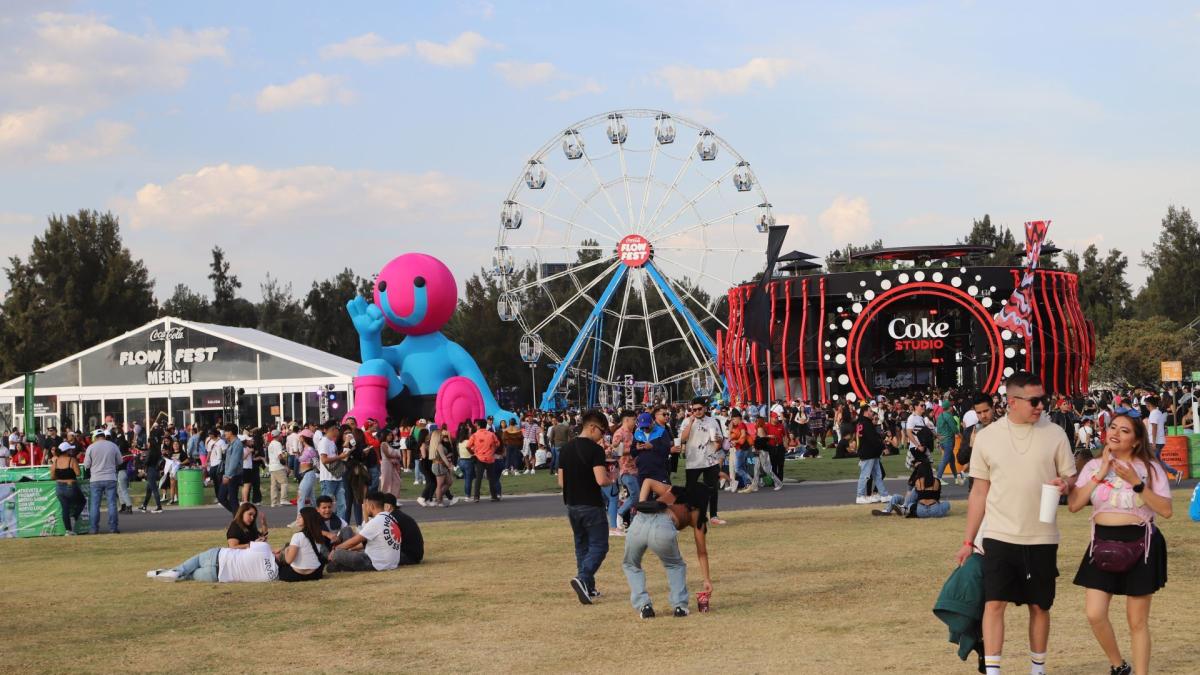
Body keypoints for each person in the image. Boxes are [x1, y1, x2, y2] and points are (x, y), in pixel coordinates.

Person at [955, 372, 1077, 675]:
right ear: (1012, 402)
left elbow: (1072, 478)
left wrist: (1065, 484)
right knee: (994, 603)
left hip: (1042, 536)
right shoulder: (987, 437)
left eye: (1043, 400)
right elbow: (979, 493)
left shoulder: (1055, 434)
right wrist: (968, 541)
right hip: (998, 535)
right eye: (1035, 401)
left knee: (1040, 606)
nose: (1040, 406)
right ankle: (994, 671)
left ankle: (1038, 669)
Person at [1067, 414, 1172, 675]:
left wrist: (1137, 484)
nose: (1115, 433)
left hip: (1140, 543)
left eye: (1124, 431)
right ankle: (1118, 665)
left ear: (1136, 441)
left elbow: (1166, 510)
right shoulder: (1093, 465)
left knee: (1136, 621)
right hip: (1102, 543)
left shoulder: (1150, 468)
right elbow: (1074, 505)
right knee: (1094, 613)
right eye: (1113, 427)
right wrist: (1100, 473)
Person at [624, 478, 713, 618]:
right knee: (675, 565)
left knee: (631, 564)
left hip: (639, 521)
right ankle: (680, 607)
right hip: (663, 525)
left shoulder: (672, 490)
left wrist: (641, 505)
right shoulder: (697, 514)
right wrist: (706, 579)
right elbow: (702, 552)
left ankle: (644, 606)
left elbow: (647, 481)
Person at [558, 409, 613, 605]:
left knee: (582, 546)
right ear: (591, 427)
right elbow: (601, 480)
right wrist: (611, 478)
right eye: (602, 431)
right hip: (591, 504)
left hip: (572, 504)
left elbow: (561, 482)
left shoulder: (565, 449)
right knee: (599, 545)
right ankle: (583, 578)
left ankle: (587, 587)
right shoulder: (595, 450)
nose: (602, 436)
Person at [326, 492, 404, 573]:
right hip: (391, 563)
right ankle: (341, 566)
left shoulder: (376, 521)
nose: (365, 508)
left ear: (371, 506)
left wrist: (335, 549)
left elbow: (354, 542)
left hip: (375, 563)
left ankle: (339, 565)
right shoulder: (391, 518)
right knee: (347, 530)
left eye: (365, 506)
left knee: (338, 553)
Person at [147, 539, 278, 583]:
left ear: (278, 552)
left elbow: (250, 545)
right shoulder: (272, 576)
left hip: (218, 556)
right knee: (188, 576)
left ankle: (172, 571)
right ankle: (162, 573)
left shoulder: (265, 548)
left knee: (187, 567)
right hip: (216, 576)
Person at [871, 450, 950, 517]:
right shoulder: (936, 481)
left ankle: (902, 508)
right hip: (931, 506)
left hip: (918, 505)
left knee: (911, 500)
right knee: (946, 504)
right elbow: (937, 497)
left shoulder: (917, 481)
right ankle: (891, 510)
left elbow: (913, 495)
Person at [83, 429, 123, 534]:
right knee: (112, 504)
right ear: (104, 436)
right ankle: (113, 528)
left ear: (95, 437)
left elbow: (86, 465)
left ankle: (94, 528)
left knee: (95, 505)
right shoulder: (113, 446)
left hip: (96, 478)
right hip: (110, 477)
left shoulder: (91, 447)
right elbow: (120, 461)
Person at [275, 506, 325, 582]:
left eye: (300, 517)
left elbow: (288, 560)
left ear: (307, 519)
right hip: (316, 574)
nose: (297, 519)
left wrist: (286, 550)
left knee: (279, 564)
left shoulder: (298, 536)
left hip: (296, 575)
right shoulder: (318, 534)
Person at [854, 405, 891, 505]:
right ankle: (860, 495)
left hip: (869, 452)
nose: (872, 413)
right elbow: (873, 438)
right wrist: (883, 447)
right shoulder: (866, 423)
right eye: (870, 411)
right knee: (865, 475)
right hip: (868, 452)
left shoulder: (861, 422)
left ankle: (884, 495)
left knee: (877, 475)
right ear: (865, 412)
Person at [1144, 396, 1181, 484]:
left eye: (1146, 404)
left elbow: (1154, 427)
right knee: (1156, 461)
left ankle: (1173, 473)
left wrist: (1153, 442)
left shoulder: (1153, 413)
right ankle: (1173, 473)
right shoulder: (1158, 412)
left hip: (1156, 442)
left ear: (1149, 404)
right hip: (1158, 441)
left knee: (1154, 461)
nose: (1145, 406)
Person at [317, 422, 349, 520]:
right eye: (332, 430)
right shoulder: (324, 442)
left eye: (336, 429)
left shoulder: (331, 442)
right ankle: (324, 525)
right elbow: (324, 460)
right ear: (325, 430)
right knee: (325, 506)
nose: (335, 432)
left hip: (337, 477)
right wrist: (340, 456)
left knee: (342, 505)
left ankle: (340, 525)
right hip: (328, 478)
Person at [632, 408, 672, 484]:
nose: (644, 429)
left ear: (652, 422)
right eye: (642, 427)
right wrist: (637, 449)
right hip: (643, 471)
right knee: (645, 495)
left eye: (646, 427)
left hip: (659, 470)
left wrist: (653, 447)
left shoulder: (662, 432)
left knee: (665, 494)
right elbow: (632, 452)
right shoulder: (637, 433)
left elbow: (667, 451)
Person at [51, 445, 84, 535]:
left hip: (59, 487)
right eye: (69, 449)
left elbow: (52, 476)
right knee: (82, 502)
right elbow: (78, 473)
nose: (71, 450)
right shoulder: (72, 460)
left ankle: (68, 530)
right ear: (66, 451)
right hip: (70, 485)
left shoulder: (56, 461)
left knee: (65, 508)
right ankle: (74, 516)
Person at [218, 424, 244, 514]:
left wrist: (227, 476)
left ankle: (238, 519)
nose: (224, 433)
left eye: (226, 431)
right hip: (229, 474)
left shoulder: (237, 444)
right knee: (221, 497)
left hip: (233, 475)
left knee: (233, 499)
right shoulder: (231, 444)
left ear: (231, 432)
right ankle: (238, 515)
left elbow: (234, 461)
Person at [935, 400, 963, 485]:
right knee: (946, 459)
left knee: (951, 460)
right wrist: (962, 437)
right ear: (949, 407)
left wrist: (938, 440)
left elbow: (938, 429)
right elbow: (954, 429)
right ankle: (938, 478)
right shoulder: (949, 416)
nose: (952, 407)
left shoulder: (940, 416)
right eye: (951, 406)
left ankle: (956, 478)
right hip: (948, 440)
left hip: (943, 440)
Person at [139, 438, 164, 513]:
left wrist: (142, 460)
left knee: (154, 489)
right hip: (155, 470)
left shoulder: (150, 452)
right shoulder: (158, 451)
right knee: (149, 489)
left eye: (148, 442)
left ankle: (159, 507)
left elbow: (147, 461)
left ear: (151, 443)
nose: (148, 444)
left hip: (151, 470)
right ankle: (144, 506)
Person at [267, 431, 288, 507]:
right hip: (278, 466)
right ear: (277, 436)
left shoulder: (270, 444)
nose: (281, 436)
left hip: (272, 466)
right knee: (284, 482)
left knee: (274, 485)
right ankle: (283, 499)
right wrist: (285, 465)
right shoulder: (278, 444)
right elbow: (280, 456)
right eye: (280, 435)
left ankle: (274, 502)